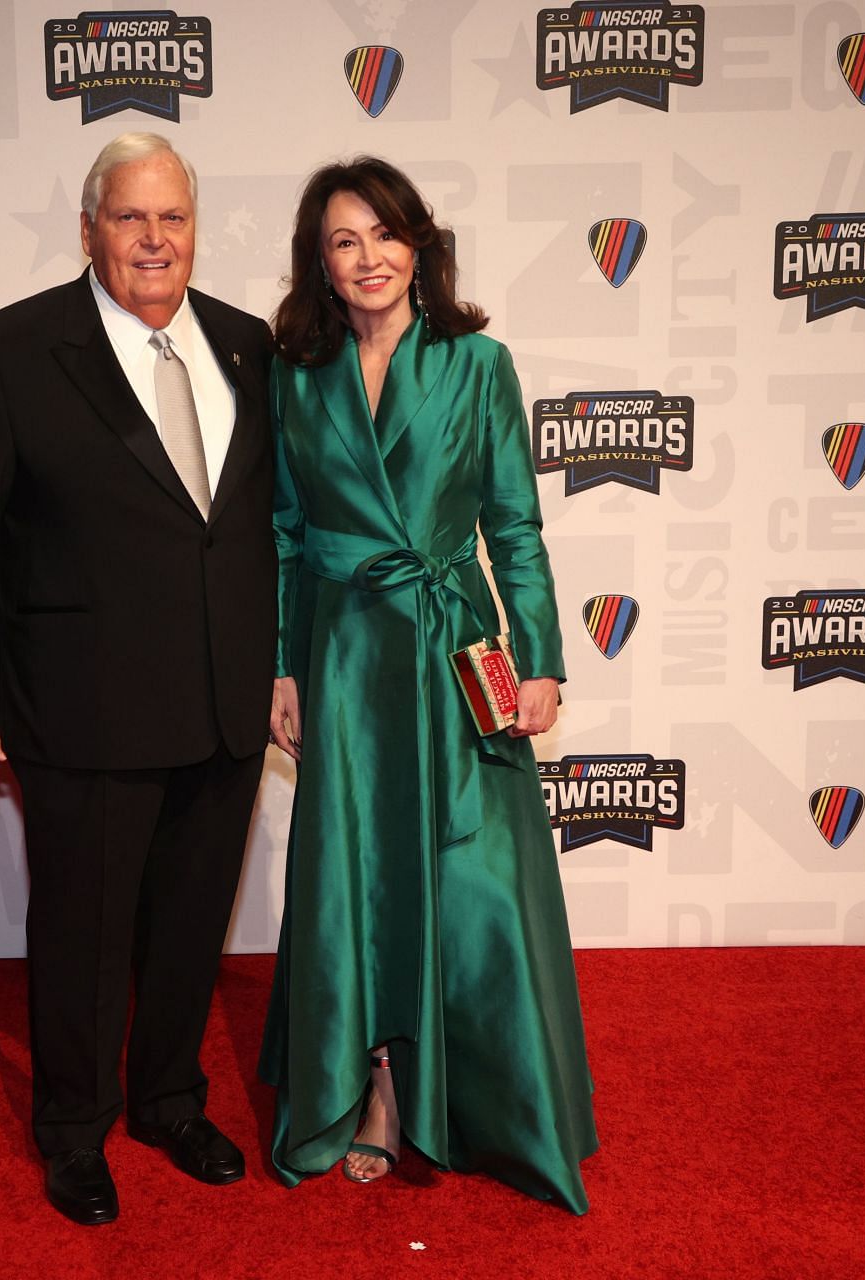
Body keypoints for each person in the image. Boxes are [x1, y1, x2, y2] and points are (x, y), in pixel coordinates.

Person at [0, 133, 276, 1226]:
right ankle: (74, 1127)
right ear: (89, 229)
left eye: (172, 219)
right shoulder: (13, 350)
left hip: (224, 700)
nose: (154, 240)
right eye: (130, 218)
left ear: (195, 230)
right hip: (83, 703)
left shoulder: (250, 346)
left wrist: (287, 663)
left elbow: (265, 527)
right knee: (82, 936)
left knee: (187, 926)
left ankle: (168, 1099)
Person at [258, 157, 599, 1211]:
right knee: (355, 880)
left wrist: (536, 656)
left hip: (455, 652)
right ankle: (371, 1086)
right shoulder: (293, 373)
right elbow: (280, 532)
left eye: (385, 234)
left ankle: (483, 1096)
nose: (369, 258)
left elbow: (515, 524)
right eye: (343, 240)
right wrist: (279, 661)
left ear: (421, 245)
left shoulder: (475, 362)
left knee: (468, 879)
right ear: (321, 262)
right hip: (346, 653)